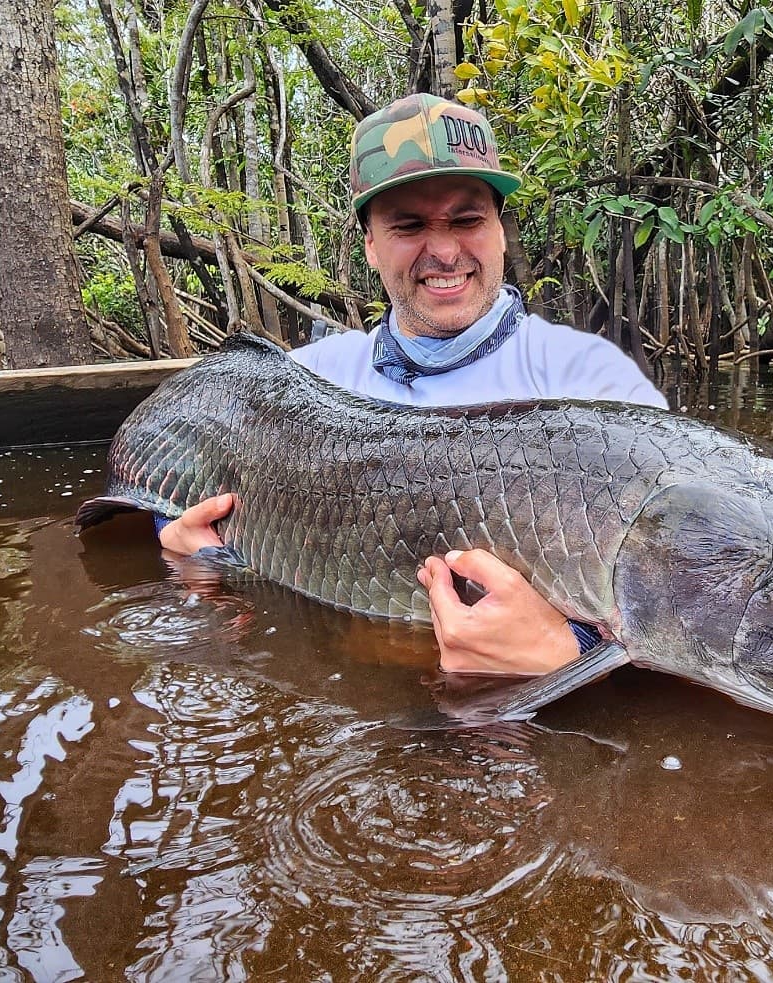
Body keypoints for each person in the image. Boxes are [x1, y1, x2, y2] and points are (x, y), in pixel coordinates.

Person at [158, 92, 666, 676]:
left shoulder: (590, 381)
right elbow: (178, 499)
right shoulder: (302, 382)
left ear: (500, 231)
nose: (445, 250)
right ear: (371, 244)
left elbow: (672, 592)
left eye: (468, 219)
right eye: (409, 225)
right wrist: (187, 553)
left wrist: (571, 651)